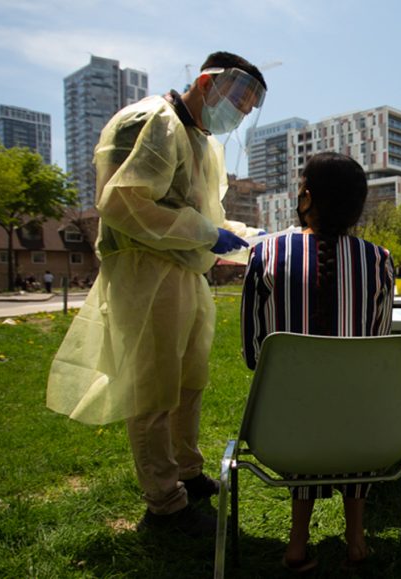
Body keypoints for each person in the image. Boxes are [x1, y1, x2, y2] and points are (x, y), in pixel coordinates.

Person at [46, 51, 266, 537]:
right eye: (238, 102)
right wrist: (207, 235)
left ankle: (186, 470)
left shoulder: (201, 142)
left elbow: (204, 218)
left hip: (186, 272)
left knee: (189, 380)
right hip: (145, 271)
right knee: (154, 386)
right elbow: (123, 203)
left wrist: (251, 240)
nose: (240, 114)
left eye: (248, 110)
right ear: (208, 83)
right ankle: (164, 501)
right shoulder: (151, 121)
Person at [242, 152, 393, 572]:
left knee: (304, 405)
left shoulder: (266, 252)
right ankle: (357, 541)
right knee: (354, 404)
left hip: (283, 430)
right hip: (366, 432)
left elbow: (255, 354)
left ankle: (296, 543)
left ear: (306, 197)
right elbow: (378, 349)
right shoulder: (379, 260)